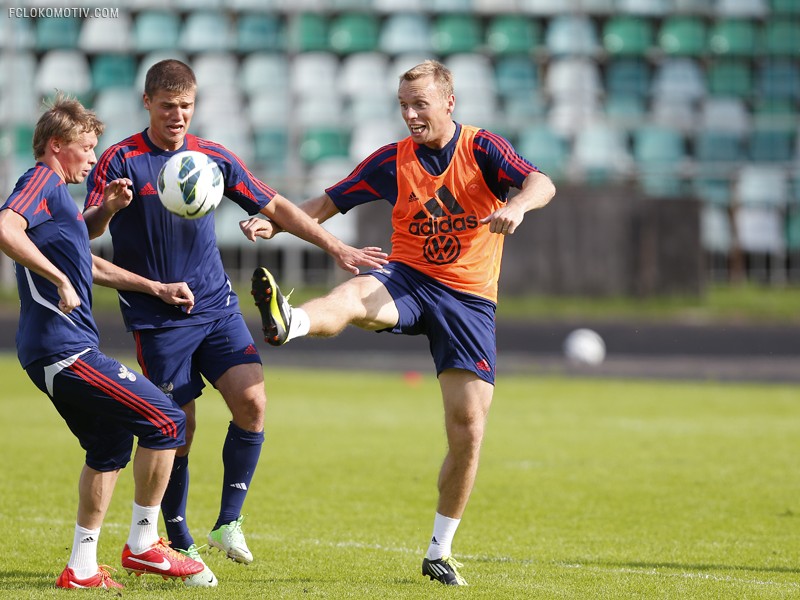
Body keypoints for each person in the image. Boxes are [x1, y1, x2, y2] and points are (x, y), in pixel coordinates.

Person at [242, 60, 556, 586]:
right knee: (353, 296)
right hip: (407, 277)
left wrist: (519, 207)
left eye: (420, 105)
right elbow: (328, 201)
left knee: (468, 431)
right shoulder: (392, 159)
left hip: (469, 302)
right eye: (403, 106)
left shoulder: (483, 149)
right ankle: (288, 321)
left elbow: (541, 182)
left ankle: (439, 549)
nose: (410, 115)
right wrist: (272, 222)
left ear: (448, 103)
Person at [82, 59, 387, 587]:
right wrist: (108, 209)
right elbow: (83, 236)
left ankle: (229, 521)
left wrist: (338, 246)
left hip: (217, 307)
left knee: (253, 401)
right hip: (159, 317)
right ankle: (175, 537)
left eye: (187, 106)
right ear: (148, 104)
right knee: (177, 429)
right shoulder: (119, 159)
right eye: (168, 106)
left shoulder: (213, 158)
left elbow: (278, 206)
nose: (178, 116)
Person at [0, 93, 205, 589]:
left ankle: (83, 569)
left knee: (110, 445)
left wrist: (150, 280)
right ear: (56, 145)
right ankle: (143, 545)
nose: (94, 158)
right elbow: (6, 227)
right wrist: (60, 280)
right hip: (62, 347)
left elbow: (83, 258)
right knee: (167, 418)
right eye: (87, 147)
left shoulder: (59, 200)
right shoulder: (39, 181)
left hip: (58, 348)